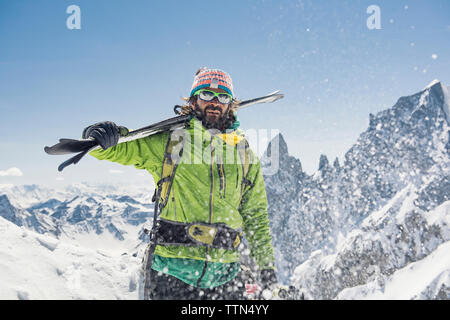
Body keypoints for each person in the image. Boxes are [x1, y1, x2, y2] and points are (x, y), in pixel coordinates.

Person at [82, 67, 277, 300]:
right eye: (206, 94)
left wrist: (266, 269)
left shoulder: (244, 154)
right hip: (172, 274)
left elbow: (256, 216)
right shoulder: (172, 142)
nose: (215, 102)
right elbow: (120, 149)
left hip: (226, 277)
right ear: (193, 100)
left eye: (223, 96)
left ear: (230, 104)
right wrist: (100, 135)